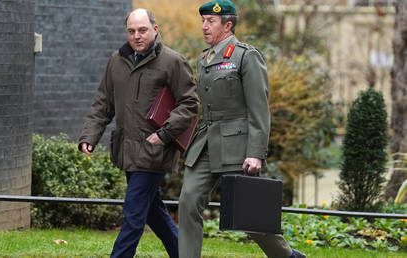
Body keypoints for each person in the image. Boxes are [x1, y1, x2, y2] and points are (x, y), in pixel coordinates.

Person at [178, 1, 306, 257]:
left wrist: (256, 152)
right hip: (206, 142)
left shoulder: (246, 56)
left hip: (238, 145)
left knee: (250, 215)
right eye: (202, 20)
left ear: (228, 25)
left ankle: (287, 256)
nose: (204, 26)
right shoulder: (204, 58)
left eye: (210, 21)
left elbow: (259, 108)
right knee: (188, 201)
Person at [78, 8, 199, 258]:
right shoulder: (116, 60)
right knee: (153, 212)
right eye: (131, 31)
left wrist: (164, 134)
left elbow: (189, 104)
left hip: (155, 150)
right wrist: (89, 136)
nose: (137, 36)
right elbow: (103, 103)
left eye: (142, 30)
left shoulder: (173, 61)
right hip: (127, 150)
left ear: (155, 29)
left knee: (133, 214)